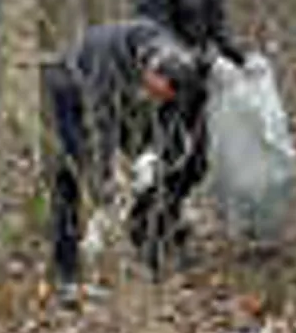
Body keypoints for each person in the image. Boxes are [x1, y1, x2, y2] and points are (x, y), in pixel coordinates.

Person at [44, 20, 200, 303]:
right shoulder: (108, 65)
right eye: (156, 91)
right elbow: (100, 123)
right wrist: (103, 182)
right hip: (71, 87)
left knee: (157, 168)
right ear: (151, 71)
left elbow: (174, 121)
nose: (159, 98)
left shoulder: (179, 64)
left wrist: (154, 156)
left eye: (163, 96)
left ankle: (151, 245)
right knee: (71, 171)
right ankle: (65, 270)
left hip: (125, 98)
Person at [130, 0, 246, 267]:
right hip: (163, 85)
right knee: (165, 161)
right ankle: (149, 237)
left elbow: (218, 30)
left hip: (198, 86)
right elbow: (152, 34)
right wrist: (195, 62)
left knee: (195, 164)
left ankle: (166, 222)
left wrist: (243, 60)